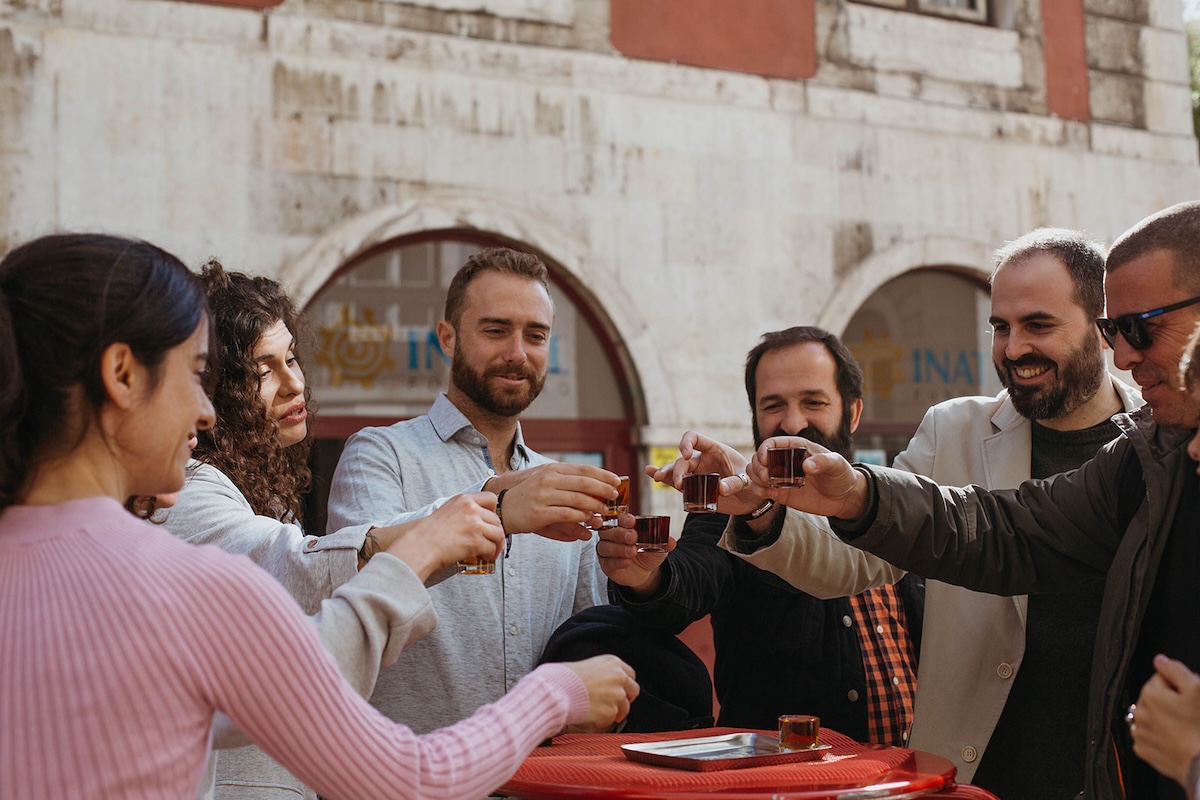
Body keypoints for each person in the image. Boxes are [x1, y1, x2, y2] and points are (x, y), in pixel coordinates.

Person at [0, 233, 639, 799]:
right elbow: (403, 773)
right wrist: (554, 694)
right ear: (121, 375)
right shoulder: (187, 579)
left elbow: (254, 698)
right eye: (198, 375)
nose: (205, 411)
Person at [739, 200, 1200, 800]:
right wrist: (850, 494)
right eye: (1000, 327)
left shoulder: (1150, 440)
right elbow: (1002, 530)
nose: (1126, 354)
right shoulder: (1146, 457)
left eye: (1039, 325)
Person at [161, 261, 511, 799]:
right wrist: (470, 519)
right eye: (262, 371)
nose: (294, 384)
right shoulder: (190, 487)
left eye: (292, 359)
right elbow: (294, 568)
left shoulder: (262, 487)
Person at [327, 246, 622, 733]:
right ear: (447, 338)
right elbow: (352, 579)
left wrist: (638, 578)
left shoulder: (561, 486)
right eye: (495, 330)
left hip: (540, 780)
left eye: (536, 335)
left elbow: (588, 637)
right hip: (408, 777)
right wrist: (499, 507)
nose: (517, 353)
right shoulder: (380, 453)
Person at [601, 326, 923, 745]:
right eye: (774, 406)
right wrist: (644, 578)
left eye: (814, 402)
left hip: (915, 775)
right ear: (754, 418)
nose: (793, 422)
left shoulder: (895, 501)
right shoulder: (736, 507)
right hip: (789, 778)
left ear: (853, 412)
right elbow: (688, 583)